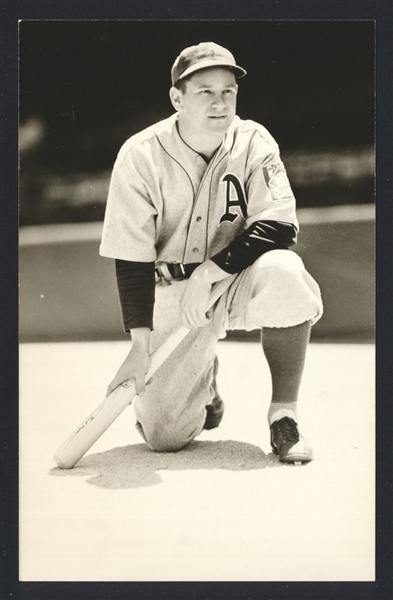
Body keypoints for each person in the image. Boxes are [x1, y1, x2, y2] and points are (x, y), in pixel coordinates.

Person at [100, 42, 323, 464]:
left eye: (228, 91)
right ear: (177, 98)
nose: (220, 102)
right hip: (171, 288)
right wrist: (139, 345)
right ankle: (206, 387)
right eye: (205, 91)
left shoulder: (254, 140)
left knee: (286, 273)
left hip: (234, 279)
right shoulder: (140, 156)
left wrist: (208, 274)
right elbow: (131, 256)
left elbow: (280, 223)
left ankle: (284, 416)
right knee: (164, 436)